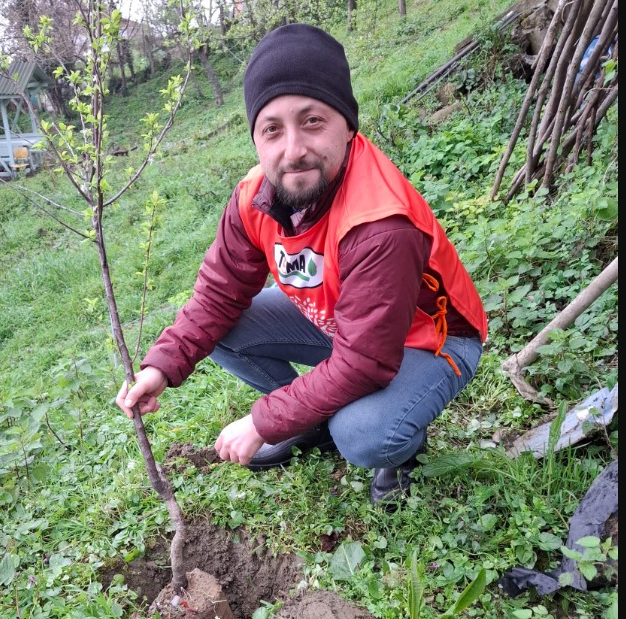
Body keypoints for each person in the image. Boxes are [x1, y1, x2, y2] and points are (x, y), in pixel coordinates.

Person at [117, 23, 488, 506]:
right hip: (342, 321)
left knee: (361, 433)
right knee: (224, 327)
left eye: (312, 121)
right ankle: (309, 421)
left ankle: (399, 452)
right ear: (255, 139)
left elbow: (365, 363)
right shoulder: (254, 197)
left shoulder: (381, 222)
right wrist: (161, 368)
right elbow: (217, 295)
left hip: (430, 339)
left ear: (348, 125)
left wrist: (263, 420)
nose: (293, 150)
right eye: (272, 129)